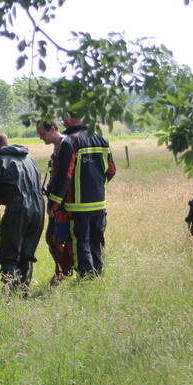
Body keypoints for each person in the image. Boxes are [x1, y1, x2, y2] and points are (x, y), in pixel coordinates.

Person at [45, 113, 116, 278]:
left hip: (77, 207)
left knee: (81, 244)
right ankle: (97, 278)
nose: (63, 122)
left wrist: (52, 204)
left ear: (72, 119)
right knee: (96, 243)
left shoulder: (70, 142)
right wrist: (96, 186)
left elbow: (65, 177)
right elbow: (111, 170)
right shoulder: (102, 140)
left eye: (64, 118)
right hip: (99, 205)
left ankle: (86, 280)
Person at [0, 130, 45, 290]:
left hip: (18, 210)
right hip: (38, 209)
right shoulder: (30, 159)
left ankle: (9, 292)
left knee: (9, 254)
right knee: (27, 253)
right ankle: (24, 290)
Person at [35, 120, 74, 283]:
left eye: (42, 133)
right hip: (59, 203)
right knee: (55, 238)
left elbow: (65, 177)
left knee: (56, 238)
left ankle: (63, 273)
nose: (40, 137)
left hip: (64, 204)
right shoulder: (58, 147)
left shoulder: (65, 145)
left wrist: (54, 204)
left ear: (53, 129)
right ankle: (63, 272)